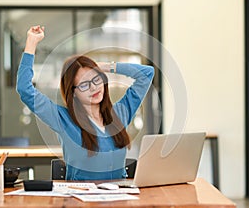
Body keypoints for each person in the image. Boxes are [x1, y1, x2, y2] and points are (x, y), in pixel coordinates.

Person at [16, 25, 155, 180]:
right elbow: (25, 89)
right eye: (84, 84)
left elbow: (147, 74)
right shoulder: (62, 119)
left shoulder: (120, 113)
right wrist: (31, 43)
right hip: (80, 200)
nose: (93, 87)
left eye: (96, 79)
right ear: (73, 93)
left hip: (119, 196)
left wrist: (106, 67)